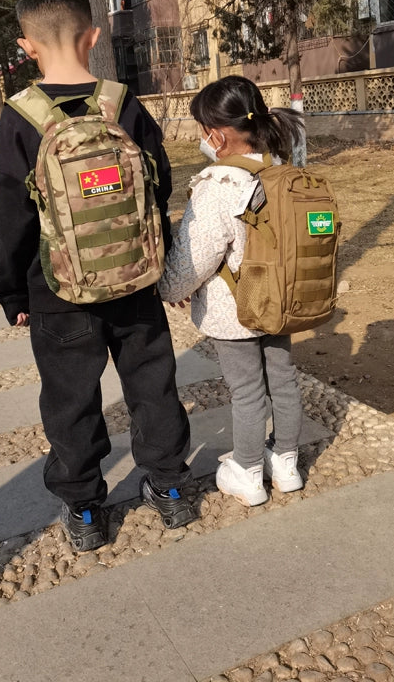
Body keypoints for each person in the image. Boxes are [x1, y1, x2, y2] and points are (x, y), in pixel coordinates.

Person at [0, 0, 193, 551]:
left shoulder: (21, 117)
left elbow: (12, 215)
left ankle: (84, 509)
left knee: (70, 400)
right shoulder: (123, 103)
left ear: (27, 46)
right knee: (153, 385)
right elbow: (158, 188)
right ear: (94, 35)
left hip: (57, 292)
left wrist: (14, 294)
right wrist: (166, 261)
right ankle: (170, 488)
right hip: (135, 281)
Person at [158, 75, 305, 507]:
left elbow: (195, 256)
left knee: (246, 391)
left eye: (203, 130)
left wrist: (170, 288)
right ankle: (287, 464)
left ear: (217, 135)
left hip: (236, 310)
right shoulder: (281, 174)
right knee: (284, 383)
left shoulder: (218, 186)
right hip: (281, 301)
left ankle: (247, 470)